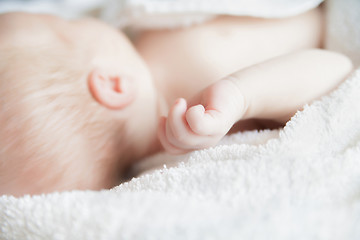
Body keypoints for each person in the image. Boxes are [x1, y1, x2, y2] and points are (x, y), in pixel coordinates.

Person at [0, 8, 353, 196]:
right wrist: (244, 95)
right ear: (113, 85)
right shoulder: (205, 89)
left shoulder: (148, 38)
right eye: (66, 25)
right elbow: (338, 73)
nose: (80, 18)